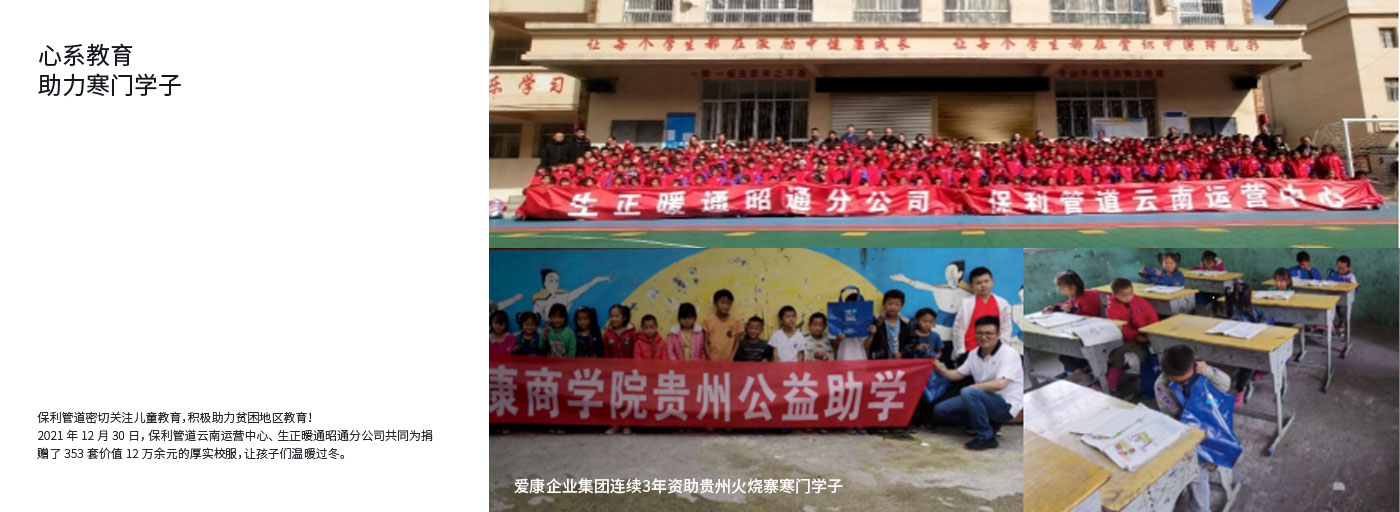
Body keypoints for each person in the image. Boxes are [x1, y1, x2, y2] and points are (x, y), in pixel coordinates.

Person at [1154, 344, 1232, 512]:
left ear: (1194, 365)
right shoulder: (1161, 385)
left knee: (1195, 467)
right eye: (1179, 382)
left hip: (1213, 428)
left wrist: (1207, 372)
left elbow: (1225, 385)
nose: (1185, 383)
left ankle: (1200, 509)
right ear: (1165, 373)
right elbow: (1172, 415)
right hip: (1186, 428)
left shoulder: (1202, 371)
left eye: (1187, 379)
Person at [931, 316, 1024, 451]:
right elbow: (958, 374)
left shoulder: (1009, 354)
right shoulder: (974, 354)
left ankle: (985, 437)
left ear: (998, 335)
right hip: (982, 399)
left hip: (1005, 405)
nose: (983, 337)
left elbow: (1000, 385)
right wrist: (942, 370)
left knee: (968, 392)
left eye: (989, 333)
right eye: (979, 333)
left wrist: (973, 388)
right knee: (941, 410)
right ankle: (990, 424)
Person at [1042, 270, 1101, 378]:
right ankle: (1077, 373)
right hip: (1080, 333)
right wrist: (1054, 308)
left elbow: (1089, 317)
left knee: (1067, 356)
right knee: (1064, 355)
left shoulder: (1088, 297)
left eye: (1062, 289)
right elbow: (1066, 304)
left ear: (1072, 287)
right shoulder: (1074, 297)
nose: (1061, 292)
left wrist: (1072, 311)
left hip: (1091, 334)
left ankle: (1078, 373)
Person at [1106, 278, 1160, 393]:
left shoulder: (1139, 301)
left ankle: (1151, 383)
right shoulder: (1112, 309)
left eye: (1130, 293)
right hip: (1129, 338)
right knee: (1116, 352)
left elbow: (1152, 316)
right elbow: (1122, 329)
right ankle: (1113, 381)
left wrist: (1152, 333)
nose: (1129, 297)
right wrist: (1136, 337)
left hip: (1147, 335)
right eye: (1124, 295)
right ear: (1115, 294)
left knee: (1153, 353)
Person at [952, 267, 1014, 361]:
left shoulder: (1002, 303)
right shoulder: (966, 304)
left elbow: (1006, 328)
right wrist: (961, 351)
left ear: (992, 282)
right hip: (969, 351)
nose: (983, 285)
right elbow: (958, 329)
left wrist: (1001, 350)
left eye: (986, 281)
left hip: (994, 352)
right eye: (978, 283)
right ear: (972, 286)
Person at [867, 289, 912, 360]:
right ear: (884, 304)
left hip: (899, 362)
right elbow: (872, 339)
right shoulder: (875, 320)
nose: (893, 307)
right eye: (890, 304)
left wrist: (902, 353)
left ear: (901, 306)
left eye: (897, 305)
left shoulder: (905, 324)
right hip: (880, 361)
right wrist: (879, 321)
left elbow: (911, 343)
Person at [703, 289, 745, 362]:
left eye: (728, 303)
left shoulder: (736, 321)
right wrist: (709, 358)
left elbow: (737, 342)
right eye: (722, 303)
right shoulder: (708, 321)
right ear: (715, 303)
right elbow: (705, 342)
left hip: (728, 361)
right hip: (712, 360)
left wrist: (732, 357)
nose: (725, 306)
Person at [1326, 255, 1357, 336]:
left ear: (1348, 268)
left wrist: (1350, 285)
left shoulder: (1351, 277)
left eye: (1342, 269)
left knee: (1342, 310)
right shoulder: (1334, 274)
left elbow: (1355, 289)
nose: (1340, 270)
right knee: (1329, 309)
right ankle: (1330, 326)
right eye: (1338, 268)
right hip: (1333, 298)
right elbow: (1327, 283)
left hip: (1344, 300)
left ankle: (1342, 325)